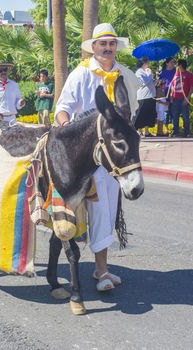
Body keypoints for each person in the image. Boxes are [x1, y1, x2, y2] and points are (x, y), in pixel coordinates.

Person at [55, 23, 139, 292]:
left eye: (111, 43)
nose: (107, 48)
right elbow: (63, 107)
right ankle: (83, 269)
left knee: (106, 211)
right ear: (93, 47)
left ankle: (101, 269)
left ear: (116, 47)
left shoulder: (125, 76)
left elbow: (130, 114)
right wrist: (65, 126)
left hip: (111, 156)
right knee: (78, 213)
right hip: (83, 155)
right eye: (102, 44)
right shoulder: (81, 74)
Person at [134, 57, 157, 137]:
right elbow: (144, 83)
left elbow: (150, 82)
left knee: (149, 114)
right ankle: (139, 131)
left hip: (150, 96)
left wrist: (156, 81)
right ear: (144, 63)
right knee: (141, 114)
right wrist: (150, 74)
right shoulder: (139, 72)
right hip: (143, 97)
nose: (149, 64)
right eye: (148, 62)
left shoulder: (146, 71)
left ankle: (147, 132)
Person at [170, 59, 193, 137]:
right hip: (175, 98)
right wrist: (171, 94)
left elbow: (191, 87)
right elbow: (173, 85)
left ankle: (187, 132)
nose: (176, 66)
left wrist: (187, 98)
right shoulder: (176, 74)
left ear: (180, 65)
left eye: (177, 64)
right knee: (175, 115)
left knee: (185, 115)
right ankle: (175, 131)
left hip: (184, 98)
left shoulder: (188, 74)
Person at [158, 57, 176, 130]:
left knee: (173, 111)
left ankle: (173, 128)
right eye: (171, 62)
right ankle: (166, 128)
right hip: (165, 94)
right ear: (167, 63)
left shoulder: (175, 71)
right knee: (166, 111)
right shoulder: (162, 72)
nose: (173, 64)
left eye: (173, 62)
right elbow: (159, 84)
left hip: (174, 93)